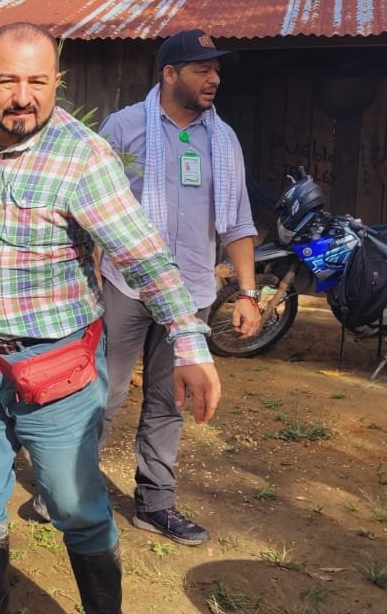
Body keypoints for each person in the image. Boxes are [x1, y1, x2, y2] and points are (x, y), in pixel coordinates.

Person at [0, 22, 220, 614]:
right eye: (8, 80)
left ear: (56, 83)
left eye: (38, 82)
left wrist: (190, 346)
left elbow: (144, 256)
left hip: (57, 364)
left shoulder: (81, 156)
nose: (23, 96)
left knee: (72, 503)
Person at [91, 29, 260, 548]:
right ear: (170, 75)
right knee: (104, 392)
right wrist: (91, 280)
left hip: (190, 295)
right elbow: (90, 209)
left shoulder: (223, 140)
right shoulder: (123, 129)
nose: (214, 79)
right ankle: (68, 489)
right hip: (124, 286)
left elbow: (236, 222)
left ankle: (155, 504)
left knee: (169, 400)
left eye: (217, 70)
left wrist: (249, 293)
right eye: (201, 69)